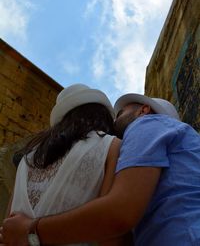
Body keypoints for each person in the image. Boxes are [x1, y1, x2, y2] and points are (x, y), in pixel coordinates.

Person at [1, 93, 200, 245]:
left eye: (121, 113)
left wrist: (32, 232)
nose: (114, 121)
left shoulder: (147, 124)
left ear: (144, 110)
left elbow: (121, 211)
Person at [0, 84, 133, 246]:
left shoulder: (29, 158)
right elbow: (111, 237)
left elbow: (7, 227)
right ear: (103, 114)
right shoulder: (112, 146)